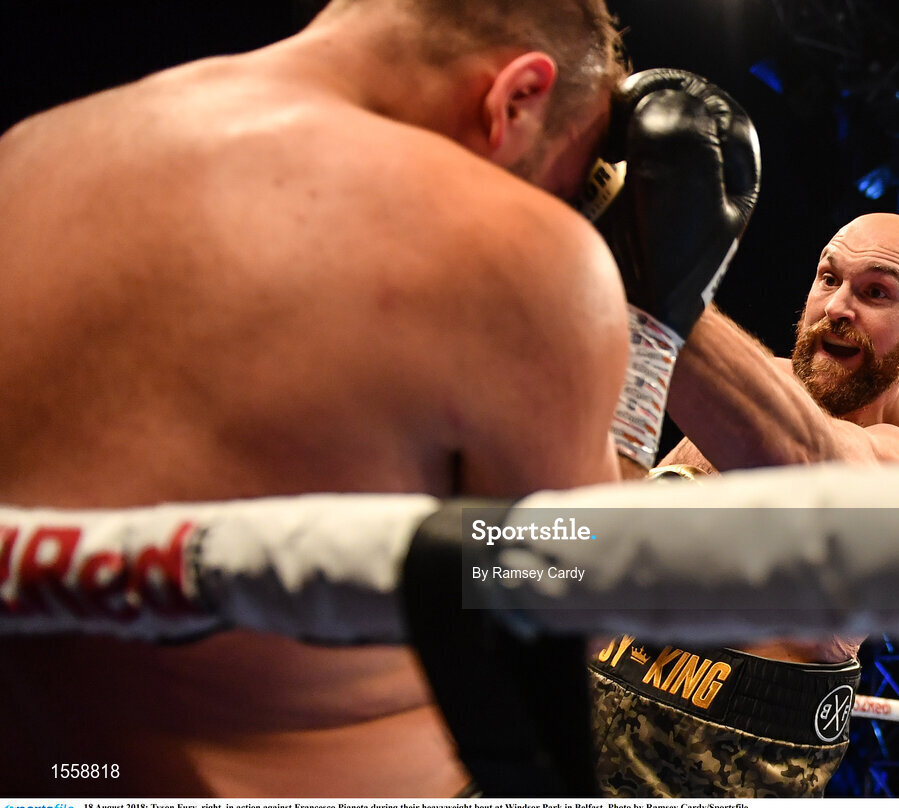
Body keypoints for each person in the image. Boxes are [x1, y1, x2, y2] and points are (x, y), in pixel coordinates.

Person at [0, 0, 635, 796]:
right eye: (562, 180)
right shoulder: (519, 248)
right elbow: (578, 602)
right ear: (517, 97)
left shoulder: (27, 152)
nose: (551, 205)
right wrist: (653, 332)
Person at [589, 212, 899, 797]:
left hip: (709, 776)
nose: (839, 306)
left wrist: (647, 267)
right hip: (563, 728)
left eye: (876, 292)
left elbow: (806, 461)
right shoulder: (746, 393)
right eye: (829, 278)